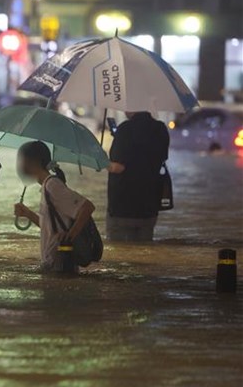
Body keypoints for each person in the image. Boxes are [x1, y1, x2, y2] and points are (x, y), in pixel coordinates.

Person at [13, 141, 95, 271]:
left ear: (35, 162)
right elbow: (50, 227)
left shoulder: (52, 186)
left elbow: (87, 207)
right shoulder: (46, 187)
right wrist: (28, 214)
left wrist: (69, 236)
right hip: (53, 263)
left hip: (61, 263)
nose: (20, 166)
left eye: (23, 160)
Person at [107, 111, 169, 242]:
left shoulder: (125, 129)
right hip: (149, 206)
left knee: (121, 254)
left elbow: (118, 167)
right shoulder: (161, 129)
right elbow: (161, 158)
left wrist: (101, 162)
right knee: (145, 253)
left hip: (123, 206)